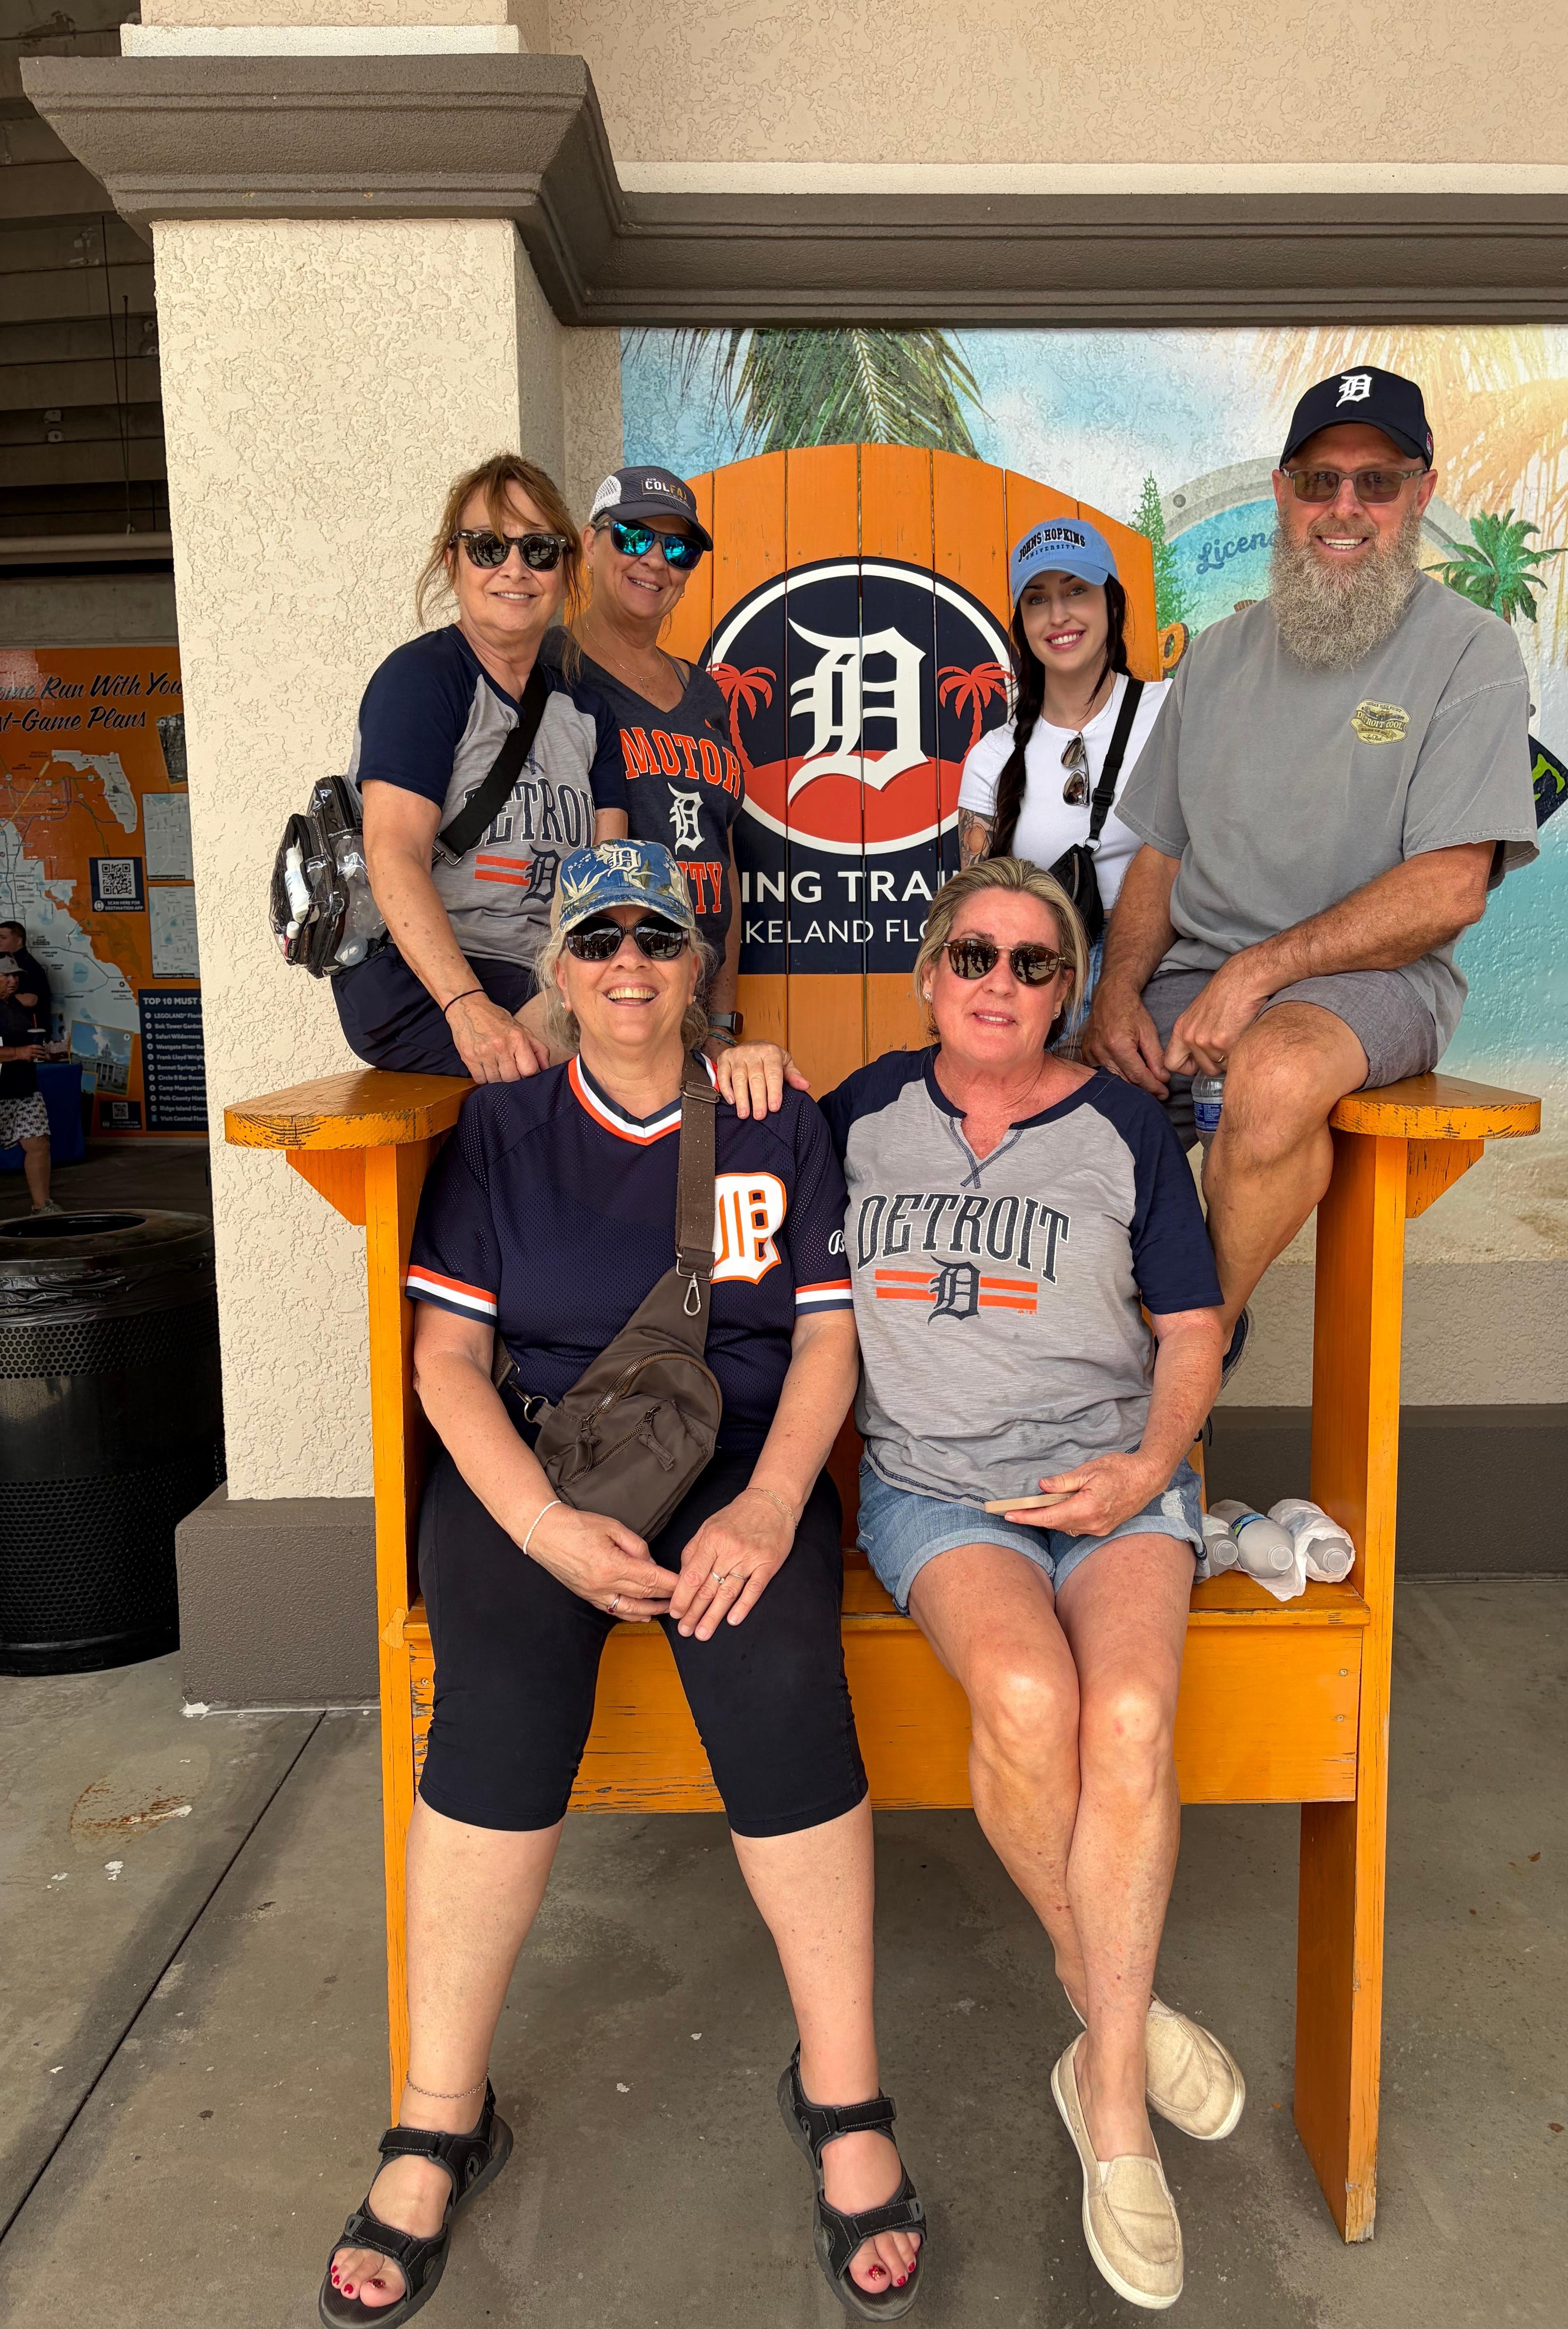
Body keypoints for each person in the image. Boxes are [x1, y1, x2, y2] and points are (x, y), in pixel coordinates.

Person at [322, 839, 925, 2327]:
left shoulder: (770, 1115)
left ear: (697, 961)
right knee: (498, 1708)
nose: (630, 962)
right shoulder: (506, 1125)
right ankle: (438, 2115)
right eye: (598, 938)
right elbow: (447, 1361)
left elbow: (828, 1337)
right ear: (561, 966)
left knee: (779, 1681)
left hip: (734, 1459)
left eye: (659, 933)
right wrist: (538, 1525)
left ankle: (844, 2095)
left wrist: (773, 1506)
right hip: (541, 1461)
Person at [821, 856, 1239, 2311]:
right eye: (975, 955)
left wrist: (1145, 1469)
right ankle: (1114, 2009)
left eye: (1035, 961)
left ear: (1066, 990)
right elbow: (711, 1173)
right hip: (940, 1486)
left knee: (1126, 1714)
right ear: (930, 973)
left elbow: (1193, 1328)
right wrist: (732, 1066)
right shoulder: (855, 1116)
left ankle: (1108, 2107)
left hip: (1116, 1477)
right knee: (1020, 1688)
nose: (1001, 982)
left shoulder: (1121, 1125)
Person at [1085, 365, 1539, 1380]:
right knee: (1066, 1091)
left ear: (1420, 494)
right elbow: (1160, 852)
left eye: (1377, 482)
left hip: (1375, 987)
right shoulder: (1214, 658)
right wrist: (1115, 995)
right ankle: (1083, 1368)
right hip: (1193, 980)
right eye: (1320, 480)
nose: (1345, 507)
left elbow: (1451, 888)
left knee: (1278, 1070)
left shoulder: (1472, 653)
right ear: (1283, 493)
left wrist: (1258, 975)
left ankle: (1188, 1356)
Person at [332, 453, 631, 1083]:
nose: (514, 569)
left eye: (539, 550)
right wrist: (468, 1007)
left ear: (565, 568)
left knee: (644, 1045)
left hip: (544, 979)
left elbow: (604, 885)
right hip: (429, 981)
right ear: (453, 562)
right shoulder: (424, 681)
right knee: (577, 1073)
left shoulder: (587, 711)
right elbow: (394, 854)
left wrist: (583, 995)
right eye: (489, 547)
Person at [571, 468, 767, 1070]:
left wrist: (721, 1020)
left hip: (693, 1006)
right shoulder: (556, 673)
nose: (656, 560)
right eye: (634, 536)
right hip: (611, 998)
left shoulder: (704, 692)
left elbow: (720, 858)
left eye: (679, 549)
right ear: (590, 543)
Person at [956, 519, 1170, 1048]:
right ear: (1021, 623)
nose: (1058, 616)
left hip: (1165, 977)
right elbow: (977, 918)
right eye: (1037, 600)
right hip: (1046, 992)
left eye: (1077, 592)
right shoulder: (992, 758)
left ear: (1112, 604)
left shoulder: (1171, 710)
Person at [0, 964, 56, 1213]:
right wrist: (17, 1053)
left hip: (23, 1088)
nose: (13, 981)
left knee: (39, 1142)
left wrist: (41, 1051)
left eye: (16, 976)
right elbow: (16, 1050)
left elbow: (25, 1043)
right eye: (6, 976)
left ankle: (42, 1207)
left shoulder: (15, 1005)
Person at [0, 920, 52, 1020]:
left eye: (3, 938)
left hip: (27, 1027)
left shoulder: (25, 965)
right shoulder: (13, 961)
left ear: (19, 941)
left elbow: (31, 1000)